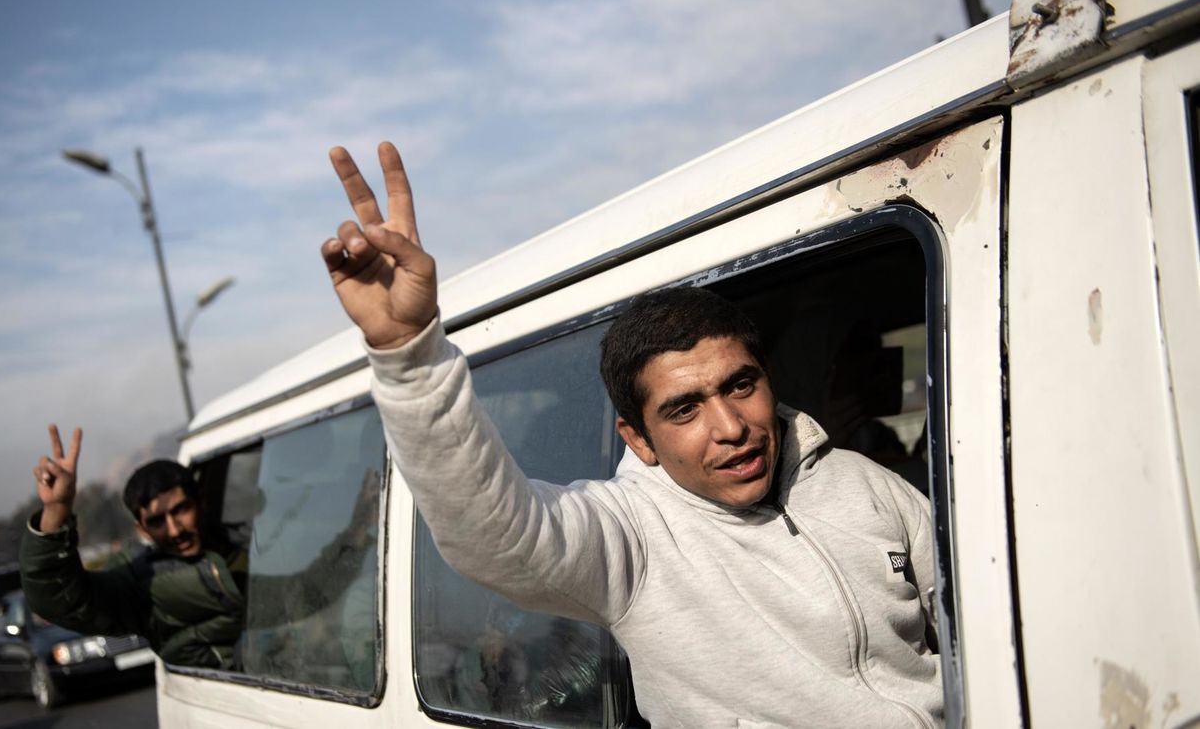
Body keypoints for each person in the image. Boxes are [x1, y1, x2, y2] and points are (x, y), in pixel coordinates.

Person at [320, 142, 942, 727]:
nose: (730, 428)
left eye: (740, 385)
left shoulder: (866, 486)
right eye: (684, 410)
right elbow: (497, 535)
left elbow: (976, 617)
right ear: (638, 439)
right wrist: (409, 353)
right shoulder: (633, 539)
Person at [20, 426, 380, 671]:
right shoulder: (140, 584)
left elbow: (306, 592)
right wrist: (56, 512)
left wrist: (359, 530)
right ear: (140, 528)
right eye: (157, 521)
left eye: (180, 510)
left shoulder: (243, 551)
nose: (174, 529)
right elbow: (59, 600)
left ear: (201, 503)